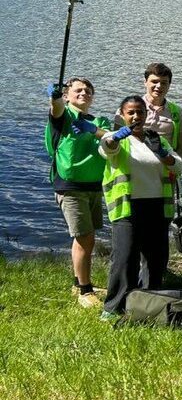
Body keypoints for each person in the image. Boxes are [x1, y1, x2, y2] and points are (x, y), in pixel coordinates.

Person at [99, 96, 182, 318]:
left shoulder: (157, 139)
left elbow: (179, 166)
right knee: (125, 257)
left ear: (146, 114)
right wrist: (115, 137)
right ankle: (114, 306)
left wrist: (163, 154)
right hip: (128, 207)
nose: (136, 117)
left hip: (157, 206)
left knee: (156, 259)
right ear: (122, 115)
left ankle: (149, 303)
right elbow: (107, 148)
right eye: (131, 112)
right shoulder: (115, 137)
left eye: (140, 112)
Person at [45, 78, 112, 308]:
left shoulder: (98, 120)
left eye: (88, 90)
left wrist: (94, 130)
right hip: (71, 188)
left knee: (85, 238)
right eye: (78, 90)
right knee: (85, 238)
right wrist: (54, 98)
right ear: (67, 95)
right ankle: (85, 291)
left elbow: (110, 137)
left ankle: (79, 284)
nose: (84, 93)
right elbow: (56, 110)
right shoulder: (65, 116)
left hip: (94, 187)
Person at [140, 62, 182, 155]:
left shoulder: (178, 112)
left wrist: (174, 165)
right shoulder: (130, 109)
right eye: (154, 81)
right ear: (145, 82)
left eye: (164, 83)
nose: (159, 86)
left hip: (166, 165)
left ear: (169, 85)